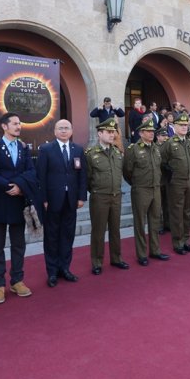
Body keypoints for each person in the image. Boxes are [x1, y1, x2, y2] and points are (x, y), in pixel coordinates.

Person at [0, 112, 39, 304]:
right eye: (15, 123)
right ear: (5, 126)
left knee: (18, 243)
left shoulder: (24, 147)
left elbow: (31, 172)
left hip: (18, 201)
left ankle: (17, 280)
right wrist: (10, 187)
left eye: (20, 123)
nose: (19, 126)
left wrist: (20, 188)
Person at [37, 119, 87, 287]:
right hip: (52, 201)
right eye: (61, 128)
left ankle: (65, 268)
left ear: (72, 131)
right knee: (51, 237)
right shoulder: (46, 150)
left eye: (67, 128)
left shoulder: (78, 149)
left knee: (67, 235)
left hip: (71, 200)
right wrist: (43, 199)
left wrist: (81, 197)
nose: (64, 130)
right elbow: (41, 177)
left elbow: (82, 176)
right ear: (55, 131)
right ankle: (52, 272)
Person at [85, 118, 128, 275]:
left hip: (116, 196)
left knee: (115, 229)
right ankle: (97, 262)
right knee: (98, 231)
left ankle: (116, 258)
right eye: (109, 132)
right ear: (99, 134)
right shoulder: (90, 154)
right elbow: (87, 179)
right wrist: (97, 191)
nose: (112, 135)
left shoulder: (117, 153)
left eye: (114, 132)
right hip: (99, 197)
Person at [123, 119, 169, 266]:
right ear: (141, 133)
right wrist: (137, 184)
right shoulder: (133, 149)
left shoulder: (155, 148)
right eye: (148, 131)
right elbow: (127, 171)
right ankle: (142, 254)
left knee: (155, 221)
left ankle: (155, 250)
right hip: (141, 189)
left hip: (156, 188)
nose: (151, 134)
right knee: (140, 223)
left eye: (152, 132)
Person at [160, 113, 190, 254]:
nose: (184, 127)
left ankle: (186, 240)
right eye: (181, 125)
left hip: (189, 181)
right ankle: (178, 242)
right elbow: (161, 162)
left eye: (185, 125)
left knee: (187, 212)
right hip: (175, 182)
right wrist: (169, 177)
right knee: (177, 212)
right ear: (174, 126)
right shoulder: (169, 143)